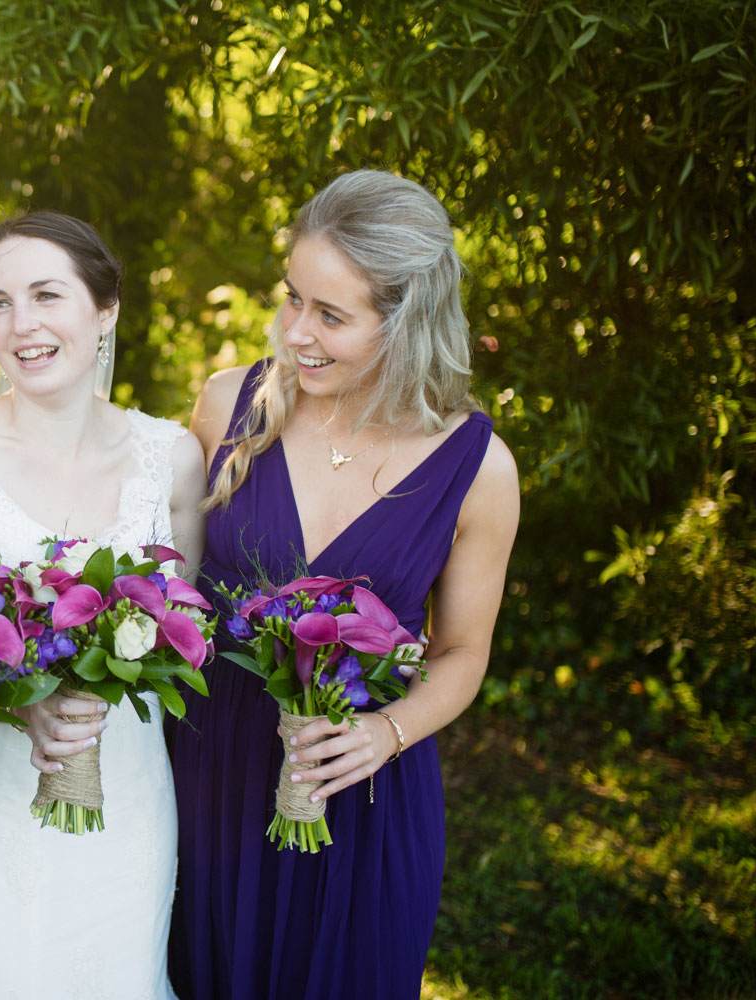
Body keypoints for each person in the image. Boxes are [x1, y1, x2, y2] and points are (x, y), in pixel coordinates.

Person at [168, 170, 521, 998]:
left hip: (359, 792)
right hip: (208, 776)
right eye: (293, 298)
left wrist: (385, 734)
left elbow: (464, 652)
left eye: (332, 315)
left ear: (408, 322)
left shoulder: (479, 469)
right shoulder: (230, 408)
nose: (297, 333)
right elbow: (168, 595)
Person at [0, 210, 207, 999]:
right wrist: (24, 709)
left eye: (46, 295)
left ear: (106, 308)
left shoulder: (173, 459)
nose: (20, 324)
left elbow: (183, 637)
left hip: (124, 805)